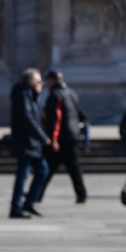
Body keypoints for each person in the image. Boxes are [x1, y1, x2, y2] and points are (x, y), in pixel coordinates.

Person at [39, 69, 88, 203]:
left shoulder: (56, 95)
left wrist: (53, 139)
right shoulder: (71, 93)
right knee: (73, 167)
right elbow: (80, 114)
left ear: (51, 81)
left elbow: (56, 119)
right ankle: (82, 194)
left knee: (48, 167)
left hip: (61, 138)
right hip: (73, 136)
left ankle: (37, 193)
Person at [9, 68, 49, 219]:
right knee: (23, 175)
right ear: (31, 83)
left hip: (32, 143)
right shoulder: (22, 96)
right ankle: (16, 208)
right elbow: (27, 120)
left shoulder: (30, 96)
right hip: (25, 143)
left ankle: (29, 202)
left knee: (43, 170)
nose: (42, 84)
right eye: (39, 82)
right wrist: (43, 137)